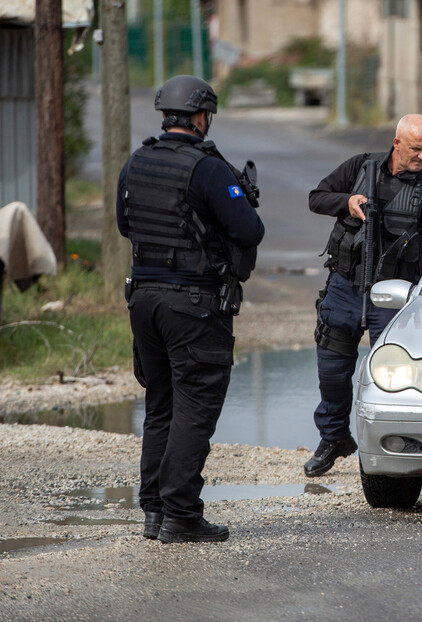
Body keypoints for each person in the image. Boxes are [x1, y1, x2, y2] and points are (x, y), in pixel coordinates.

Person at [117, 75, 265, 541]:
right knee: (194, 406)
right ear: (201, 117)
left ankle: (154, 512)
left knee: (160, 404)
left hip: (143, 301)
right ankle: (181, 514)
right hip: (193, 305)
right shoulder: (208, 168)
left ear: (166, 115)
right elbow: (250, 231)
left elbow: (125, 225)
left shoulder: (136, 161)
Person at [305, 114, 422, 477]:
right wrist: (347, 202)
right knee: (332, 369)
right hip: (346, 285)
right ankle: (334, 437)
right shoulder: (360, 167)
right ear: (397, 143)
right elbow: (316, 198)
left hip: (394, 295)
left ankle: (400, 445)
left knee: (395, 372)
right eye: (415, 148)